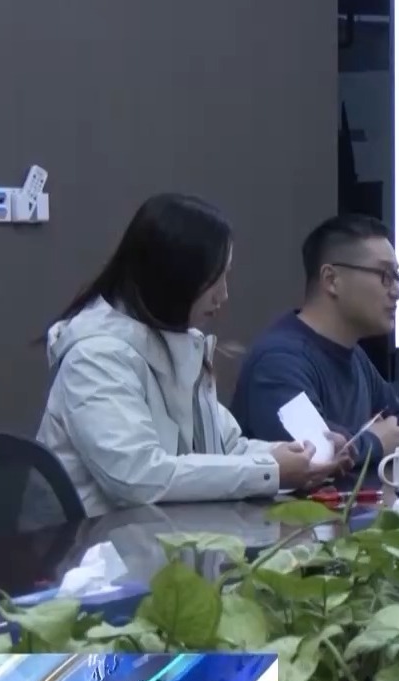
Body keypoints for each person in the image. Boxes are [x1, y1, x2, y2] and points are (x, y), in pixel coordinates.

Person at [36, 194, 338, 517]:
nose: (223, 295)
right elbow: (139, 477)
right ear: (174, 276)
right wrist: (269, 471)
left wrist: (295, 456)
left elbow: (226, 449)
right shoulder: (95, 357)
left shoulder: (182, 347)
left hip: (161, 536)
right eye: (214, 279)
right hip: (96, 543)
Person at [231, 215, 399, 479]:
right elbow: (315, 454)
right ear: (331, 279)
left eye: (397, 277)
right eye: (385, 276)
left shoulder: (354, 355)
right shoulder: (279, 360)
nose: (398, 291)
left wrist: (369, 439)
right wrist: (375, 442)